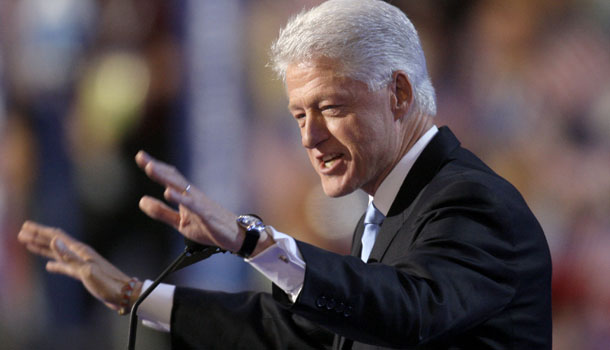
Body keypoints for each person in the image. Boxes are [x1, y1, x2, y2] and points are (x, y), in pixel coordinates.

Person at [18, 0, 552, 349]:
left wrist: (253, 241)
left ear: (399, 94)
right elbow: (301, 331)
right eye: (299, 115)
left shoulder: (472, 202)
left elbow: (407, 311)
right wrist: (135, 296)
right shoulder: (394, 210)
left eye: (331, 108)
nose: (309, 138)